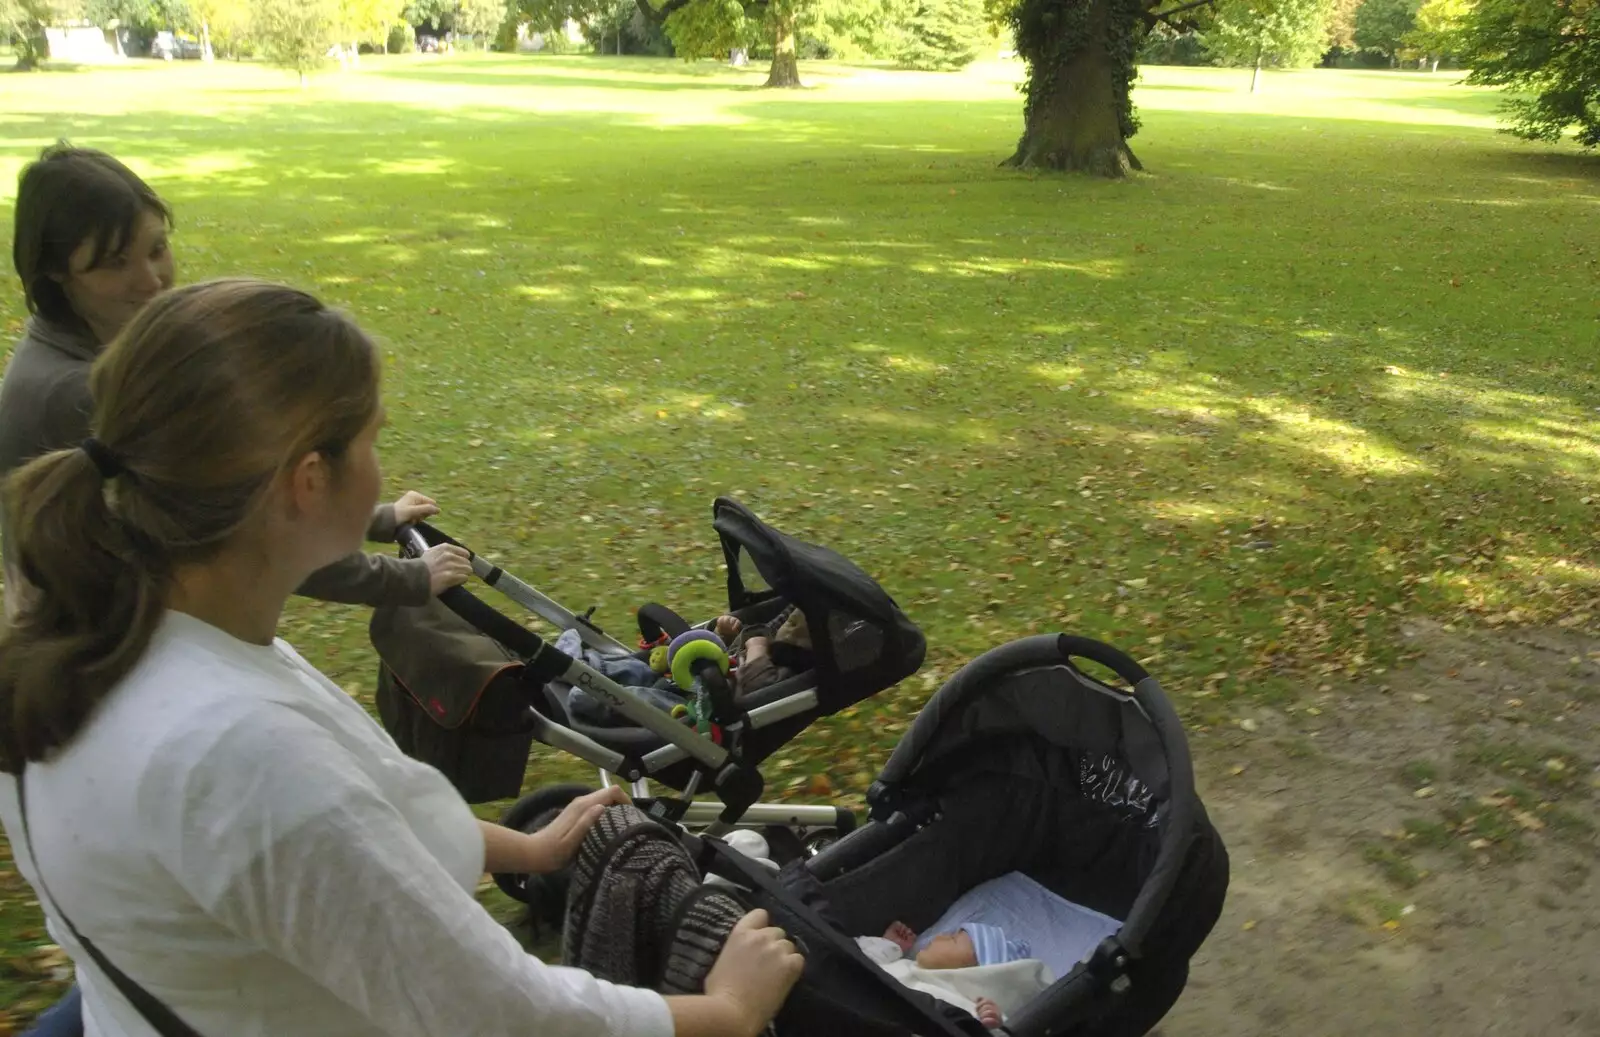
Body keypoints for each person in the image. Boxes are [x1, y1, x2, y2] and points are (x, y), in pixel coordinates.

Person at [0, 278, 804, 1037]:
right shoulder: (239, 749)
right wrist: (724, 1010)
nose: (383, 467)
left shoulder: (109, 640)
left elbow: (346, 829)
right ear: (309, 480)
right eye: (374, 440)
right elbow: (499, 1013)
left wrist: (526, 848)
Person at [1, 142, 471, 618]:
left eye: (157, 249)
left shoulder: (103, 346)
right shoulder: (77, 392)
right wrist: (407, 578)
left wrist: (373, 519)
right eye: (114, 263)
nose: (152, 280)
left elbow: (242, 490)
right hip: (101, 648)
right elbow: (244, 533)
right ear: (56, 273)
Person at [855, 921, 1048, 1030]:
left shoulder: (970, 1007)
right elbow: (852, 957)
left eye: (953, 940)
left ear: (977, 972)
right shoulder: (903, 964)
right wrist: (890, 945)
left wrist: (996, 1028)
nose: (940, 937)